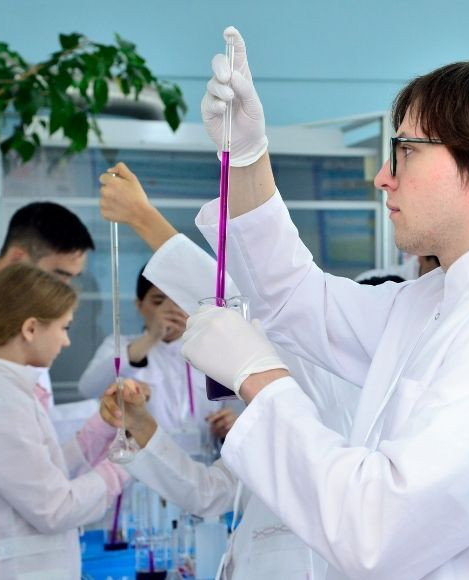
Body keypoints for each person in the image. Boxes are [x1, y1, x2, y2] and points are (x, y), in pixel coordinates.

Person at [180, 26, 469, 579]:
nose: (383, 177)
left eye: (405, 151)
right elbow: (294, 298)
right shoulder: (441, 299)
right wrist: (246, 155)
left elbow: (376, 529)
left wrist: (259, 380)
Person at [97, 160, 360, 578]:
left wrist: (144, 219)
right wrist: (142, 427)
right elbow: (208, 494)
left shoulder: (334, 387)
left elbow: (233, 306)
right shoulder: (284, 424)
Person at [0, 263, 127, 579]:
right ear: (30, 329)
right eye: (64, 327)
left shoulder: (7, 389)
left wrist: (100, 428)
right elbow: (55, 508)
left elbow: (42, 473)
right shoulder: (0, 401)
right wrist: (124, 465)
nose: (67, 341)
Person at [78, 266, 237, 449]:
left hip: (203, 458)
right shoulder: (120, 346)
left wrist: (229, 425)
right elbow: (88, 389)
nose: (171, 310)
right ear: (139, 305)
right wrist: (152, 336)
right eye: (159, 302)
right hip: (143, 460)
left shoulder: (212, 350)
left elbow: (236, 409)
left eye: (179, 301)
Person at [0, 201, 95, 409]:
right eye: (59, 274)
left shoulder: (31, 306)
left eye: (73, 278)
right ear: (17, 258)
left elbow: (38, 408)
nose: (65, 288)